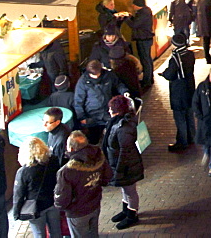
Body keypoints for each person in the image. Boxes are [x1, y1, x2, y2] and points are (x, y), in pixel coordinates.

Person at [54, 130, 112, 237]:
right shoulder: (98, 156)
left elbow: (62, 199)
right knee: (93, 233)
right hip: (95, 204)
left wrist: (59, 206)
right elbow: (107, 177)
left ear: (71, 148)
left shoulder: (66, 171)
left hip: (77, 212)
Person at [102, 95, 144, 230]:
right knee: (124, 188)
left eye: (111, 109)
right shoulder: (118, 122)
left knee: (130, 190)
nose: (109, 111)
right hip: (119, 163)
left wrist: (119, 170)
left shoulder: (124, 127)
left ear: (117, 111)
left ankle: (132, 214)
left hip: (126, 166)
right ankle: (126, 210)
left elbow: (125, 151)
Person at [12, 137, 60, 238]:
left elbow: (19, 194)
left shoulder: (24, 171)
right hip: (53, 202)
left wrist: (16, 213)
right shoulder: (53, 161)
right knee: (56, 231)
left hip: (36, 207)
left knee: (39, 234)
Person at [73, 59, 129, 144]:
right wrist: (82, 117)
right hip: (92, 115)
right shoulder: (83, 82)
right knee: (93, 138)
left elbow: (118, 84)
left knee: (111, 137)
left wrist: (124, 91)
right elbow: (78, 101)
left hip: (107, 112)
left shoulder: (109, 76)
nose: (96, 77)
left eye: (97, 74)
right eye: (93, 75)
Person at [161, 32, 197, 152]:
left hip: (179, 91)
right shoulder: (190, 54)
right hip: (190, 88)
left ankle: (182, 142)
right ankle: (192, 137)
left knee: (180, 117)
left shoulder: (176, 58)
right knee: (189, 114)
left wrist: (164, 73)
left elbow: (171, 74)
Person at [126, 0, 154, 89]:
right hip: (145, 38)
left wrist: (127, 18)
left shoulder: (143, 13)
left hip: (143, 39)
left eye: (133, 5)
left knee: (145, 60)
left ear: (137, 5)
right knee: (147, 59)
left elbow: (134, 25)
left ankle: (147, 81)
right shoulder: (144, 11)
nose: (132, 6)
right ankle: (149, 78)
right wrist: (131, 17)